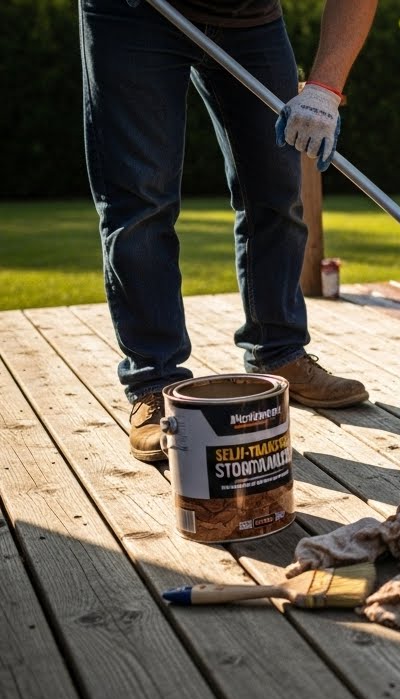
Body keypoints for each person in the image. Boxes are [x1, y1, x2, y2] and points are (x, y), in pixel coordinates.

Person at [80, 0, 380, 462]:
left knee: (277, 192)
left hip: (251, 20)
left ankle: (278, 351)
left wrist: (324, 89)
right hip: (135, 14)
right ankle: (154, 380)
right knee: (140, 202)